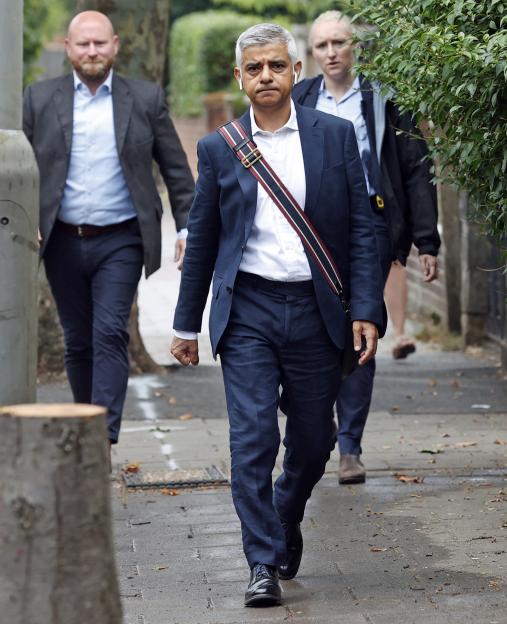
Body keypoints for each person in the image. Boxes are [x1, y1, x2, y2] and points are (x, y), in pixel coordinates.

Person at [170, 23, 384, 608]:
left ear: (295, 72)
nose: (267, 76)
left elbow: (365, 229)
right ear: (239, 78)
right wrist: (186, 324)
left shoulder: (335, 136)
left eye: (277, 66)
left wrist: (366, 307)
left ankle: (286, 513)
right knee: (253, 437)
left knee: (315, 441)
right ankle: (261, 562)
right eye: (255, 68)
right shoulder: (220, 147)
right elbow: (205, 240)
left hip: (318, 311)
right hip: (249, 311)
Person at [23, 11, 194, 446]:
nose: (93, 51)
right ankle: (86, 422)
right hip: (61, 239)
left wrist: (186, 228)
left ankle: (103, 434)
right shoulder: (39, 100)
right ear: (68, 48)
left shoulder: (145, 99)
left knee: (110, 331)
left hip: (121, 239)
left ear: (115, 45)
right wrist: (27, 222)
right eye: (84, 44)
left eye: (100, 43)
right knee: (77, 340)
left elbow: (176, 170)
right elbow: (21, 172)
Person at [293, 10, 440, 485]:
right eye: (322, 46)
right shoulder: (300, 99)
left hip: (370, 231)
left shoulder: (384, 99)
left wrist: (425, 240)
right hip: (310, 235)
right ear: (311, 54)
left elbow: (416, 167)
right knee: (314, 336)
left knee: (361, 330)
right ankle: (321, 425)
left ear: (354, 46)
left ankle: (350, 445)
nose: (331, 52)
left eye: (339, 42)